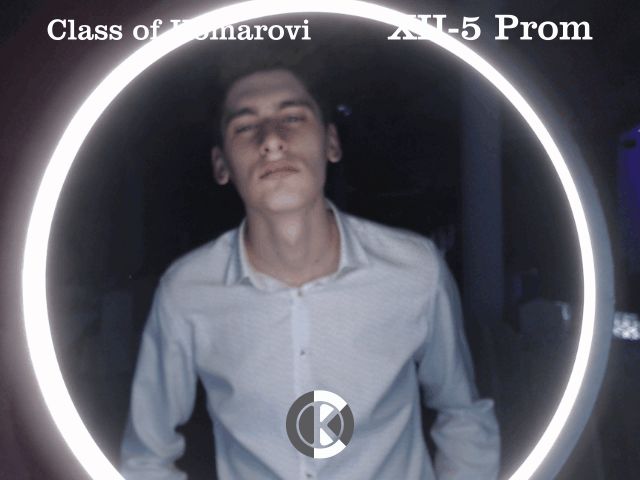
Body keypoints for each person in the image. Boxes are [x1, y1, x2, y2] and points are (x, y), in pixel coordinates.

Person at [120, 66, 500, 479]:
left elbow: (464, 415)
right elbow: (145, 459)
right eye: (245, 127)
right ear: (221, 165)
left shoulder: (415, 270)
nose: (271, 141)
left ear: (331, 143)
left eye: (292, 117)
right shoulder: (187, 291)